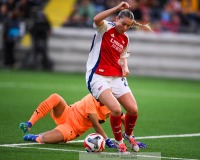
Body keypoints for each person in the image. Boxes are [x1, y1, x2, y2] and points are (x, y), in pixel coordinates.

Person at [85, 1, 151, 154]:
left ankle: (128, 135)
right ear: (116, 20)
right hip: (98, 76)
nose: (125, 27)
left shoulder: (126, 39)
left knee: (133, 110)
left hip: (115, 76)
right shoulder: (105, 27)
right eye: (123, 23)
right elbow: (96, 19)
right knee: (115, 109)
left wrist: (125, 66)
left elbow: (122, 56)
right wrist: (116, 8)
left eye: (128, 25)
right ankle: (119, 142)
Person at [18, 93, 146, 149]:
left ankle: (37, 137)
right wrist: (107, 140)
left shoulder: (111, 105)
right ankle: (29, 123)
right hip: (66, 112)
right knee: (56, 97)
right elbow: (95, 123)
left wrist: (131, 137)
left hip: (71, 129)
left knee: (45, 139)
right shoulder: (91, 98)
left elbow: (124, 118)